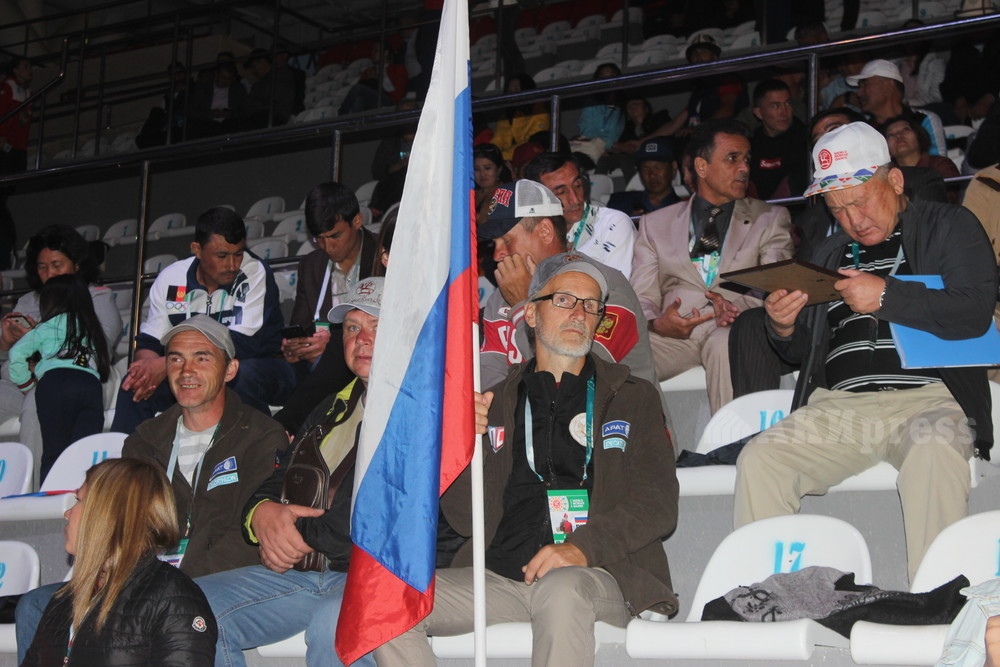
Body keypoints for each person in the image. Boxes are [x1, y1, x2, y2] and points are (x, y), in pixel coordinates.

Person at [374, 255, 679, 667]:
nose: (579, 313)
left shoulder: (632, 397)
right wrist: (459, 447)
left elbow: (658, 504)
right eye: (564, 300)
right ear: (531, 315)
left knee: (562, 588)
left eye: (591, 305)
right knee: (388, 601)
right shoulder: (496, 401)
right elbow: (466, 518)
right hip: (503, 576)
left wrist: (581, 548)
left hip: (600, 571)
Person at [733, 122, 997, 582]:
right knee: (762, 459)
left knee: (934, 452)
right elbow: (803, 353)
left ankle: (937, 599)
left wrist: (888, 297)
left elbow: (974, 311)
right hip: (839, 406)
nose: (852, 219)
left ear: (894, 181)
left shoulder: (949, 225)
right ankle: (762, 597)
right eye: (837, 208)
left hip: (931, 399)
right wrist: (783, 326)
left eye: (859, 201)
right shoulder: (829, 251)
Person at [195, 277, 489, 666]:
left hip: (386, 573)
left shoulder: (433, 410)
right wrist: (261, 515)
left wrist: (291, 535)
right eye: (352, 327)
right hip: (311, 571)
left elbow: (377, 514)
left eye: (377, 326)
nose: (361, 339)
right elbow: (278, 476)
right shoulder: (332, 407)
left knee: (335, 627)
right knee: (192, 604)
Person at [630, 118, 793, 413]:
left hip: (732, 328)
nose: (744, 168)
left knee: (724, 344)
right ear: (701, 167)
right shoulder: (655, 224)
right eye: (732, 159)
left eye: (747, 159)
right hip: (672, 336)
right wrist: (657, 323)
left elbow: (775, 287)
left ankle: (732, 439)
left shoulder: (770, 218)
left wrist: (735, 310)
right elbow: (642, 295)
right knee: (611, 357)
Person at [111, 206, 294, 434]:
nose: (232, 265)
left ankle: (261, 447)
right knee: (134, 385)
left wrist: (167, 365)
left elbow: (243, 345)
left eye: (238, 254)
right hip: (192, 370)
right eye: (222, 256)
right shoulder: (173, 278)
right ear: (197, 249)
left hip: (260, 366)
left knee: (238, 374)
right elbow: (150, 342)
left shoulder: (254, 272)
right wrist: (147, 370)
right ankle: (129, 456)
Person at [478, 180, 662, 403]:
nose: (497, 254)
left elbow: (573, 381)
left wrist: (523, 306)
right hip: (531, 421)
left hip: (616, 422)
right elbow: (490, 378)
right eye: (494, 244)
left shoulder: (604, 289)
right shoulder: (501, 298)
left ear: (545, 231)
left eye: (507, 241)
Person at [21, 458, 217, 665]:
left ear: (107, 513)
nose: (67, 513)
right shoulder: (62, 601)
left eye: (79, 500)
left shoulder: (172, 599)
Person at [0, 225, 121, 487]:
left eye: (57, 265)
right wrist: (5, 343)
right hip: (22, 379)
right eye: (42, 267)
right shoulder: (27, 301)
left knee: (38, 401)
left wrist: (40, 339)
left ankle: (34, 493)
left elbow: (100, 345)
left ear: (77, 265)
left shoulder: (97, 296)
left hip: (78, 375)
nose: (49, 273)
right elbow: (9, 361)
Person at [8, 274, 110, 481]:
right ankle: (82, 496)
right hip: (90, 385)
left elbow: (16, 353)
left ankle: (51, 496)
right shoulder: (93, 327)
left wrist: (27, 384)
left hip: (55, 384)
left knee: (54, 453)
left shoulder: (46, 327)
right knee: (85, 454)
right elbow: (102, 361)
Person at [283, 182, 378, 373]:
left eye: (335, 236)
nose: (327, 247)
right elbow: (301, 326)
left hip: (370, 358)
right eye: (319, 238)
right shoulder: (311, 265)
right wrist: (297, 347)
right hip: (319, 367)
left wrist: (331, 348)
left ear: (357, 221)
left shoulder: (383, 255)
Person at [525, 152, 636, 278]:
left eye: (578, 185)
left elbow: (616, 286)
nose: (575, 199)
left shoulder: (612, 224)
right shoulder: (529, 233)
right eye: (561, 192)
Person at [847, 58, 947, 156]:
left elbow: (939, 162)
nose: (859, 93)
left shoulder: (923, 119)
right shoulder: (864, 131)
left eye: (865, 85)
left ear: (888, 86)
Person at [749, 78, 810, 201]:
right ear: (759, 113)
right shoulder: (751, 146)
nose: (784, 112)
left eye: (788, 104)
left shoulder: (806, 139)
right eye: (776, 106)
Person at [882, 114, 961, 202]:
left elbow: (949, 197)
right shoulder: (886, 176)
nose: (899, 136)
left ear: (919, 137)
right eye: (891, 134)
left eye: (906, 129)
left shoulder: (939, 164)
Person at [606, 137, 683, 217]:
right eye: (645, 168)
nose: (652, 174)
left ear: (673, 167)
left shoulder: (683, 210)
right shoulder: (619, 203)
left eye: (657, 168)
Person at [490, 73, 550, 162]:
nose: (513, 94)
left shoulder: (540, 113)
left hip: (534, 160)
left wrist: (501, 157)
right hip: (508, 160)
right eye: (510, 91)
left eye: (516, 89)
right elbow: (498, 141)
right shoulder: (506, 117)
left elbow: (531, 144)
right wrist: (489, 154)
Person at [187, 62, 248, 139]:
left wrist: (230, 113)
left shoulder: (238, 88)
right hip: (207, 123)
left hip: (230, 122)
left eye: (229, 79)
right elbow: (191, 111)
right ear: (216, 74)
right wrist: (211, 113)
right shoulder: (202, 88)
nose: (226, 81)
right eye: (223, 78)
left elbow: (246, 109)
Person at [244, 48, 295, 128]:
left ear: (263, 62)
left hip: (275, 117)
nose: (254, 70)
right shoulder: (258, 84)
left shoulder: (281, 76)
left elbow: (275, 103)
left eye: (254, 66)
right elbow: (248, 105)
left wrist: (258, 105)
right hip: (259, 117)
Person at [0, 56, 32, 174]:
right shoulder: (8, 86)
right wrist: (1, 135)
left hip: (20, 144)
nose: (29, 70)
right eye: (25, 67)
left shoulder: (27, 91)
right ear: (15, 70)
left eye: (30, 67)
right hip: (7, 142)